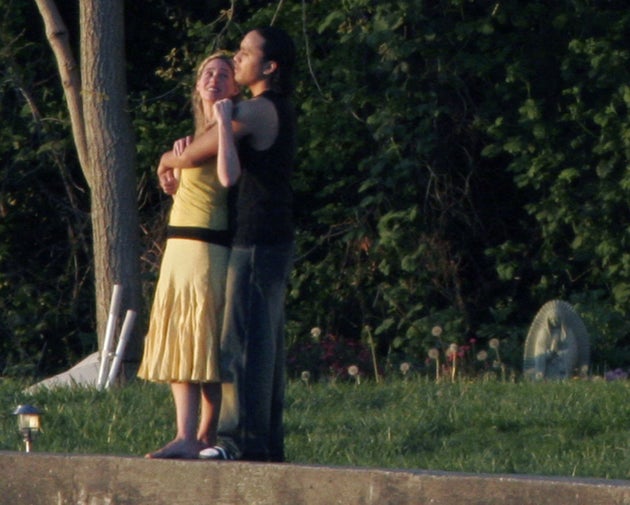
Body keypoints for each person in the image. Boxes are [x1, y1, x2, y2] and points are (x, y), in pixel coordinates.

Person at [155, 26, 297, 462]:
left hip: (256, 240)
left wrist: (166, 157)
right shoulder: (276, 108)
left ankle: (237, 440)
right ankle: (264, 442)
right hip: (270, 238)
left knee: (245, 345)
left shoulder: (256, 110)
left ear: (268, 66)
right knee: (263, 345)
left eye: (244, 53)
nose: (237, 59)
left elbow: (196, 153)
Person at [137, 51, 241, 459]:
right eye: (207, 73)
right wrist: (173, 168)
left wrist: (168, 159)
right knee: (180, 337)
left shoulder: (227, 128)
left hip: (205, 248)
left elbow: (227, 177)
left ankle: (204, 433)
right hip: (177, 247)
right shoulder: (196, 135)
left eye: (224, 74)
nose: (214, 79)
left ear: (235, 86)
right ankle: (185, 434)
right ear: (197, 85)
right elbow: (181, 181)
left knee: (203, 341)